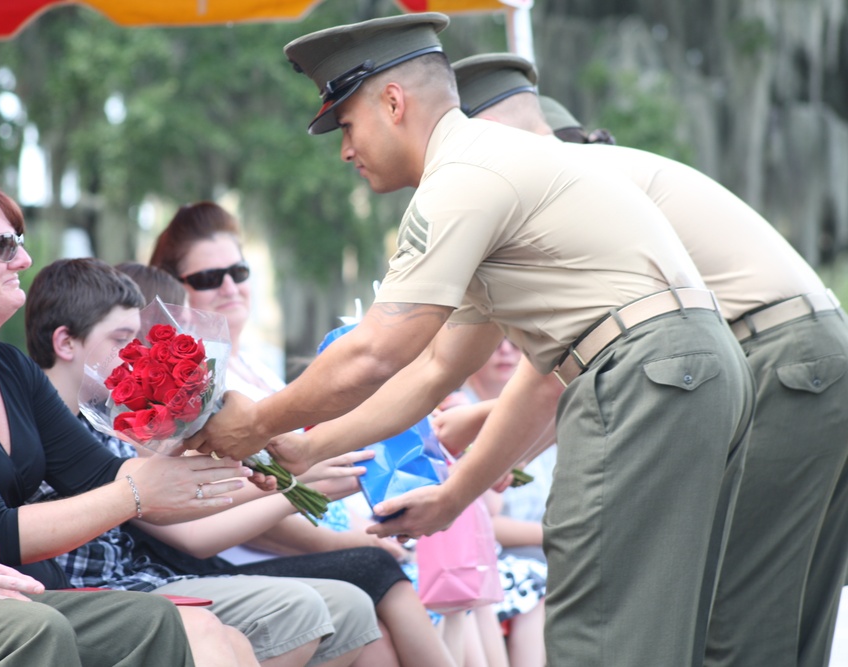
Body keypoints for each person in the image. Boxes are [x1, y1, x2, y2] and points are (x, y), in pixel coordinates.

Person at [185, 13, 756, 667]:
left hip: (646, 373)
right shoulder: (501, 168)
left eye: (346, 125)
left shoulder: (460, 177)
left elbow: (378, 349)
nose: (345, 150)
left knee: (600, 630)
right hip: (692, 368)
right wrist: (307, 447)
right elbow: (431, 374)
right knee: (657, 628)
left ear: (393, 102)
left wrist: (256, 423)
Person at [453, 51, 848, 667]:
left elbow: (568, 370)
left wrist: (470, 474)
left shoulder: (564, 186)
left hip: (775, 364)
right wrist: (492, 439)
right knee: (787, 624)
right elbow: (587, 369)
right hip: (810, 357)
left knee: (730, 625)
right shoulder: (610, 174)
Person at [0, 169, 259, 667]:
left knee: (203, 629)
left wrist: (242, 457)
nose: (25, 259)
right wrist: (135, 496)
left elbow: (102, 472)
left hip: (32, 597)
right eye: (5, 246)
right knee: (194, 631)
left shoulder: (8, 366)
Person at [26, 255, 381, 667]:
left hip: (137, 577)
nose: (134, 355)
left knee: (349, 606)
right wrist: (291, 487)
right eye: (122, 340)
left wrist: (263, 468)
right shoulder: (51, 422)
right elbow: (182, 522)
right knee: (308, 605)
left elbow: (175, 499)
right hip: (94, 592)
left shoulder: (105, 421)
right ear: (65, 342)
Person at [146, 203, 457, 667]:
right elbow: (249, 504)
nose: (230, 287)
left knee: (449, 575)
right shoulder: (194, 383)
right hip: (241, 554)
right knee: (376, 574)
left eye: (238, 270)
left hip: (316, 529)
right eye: (209, 278)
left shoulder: (260, 364)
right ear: (177, 292)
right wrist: (350, 537)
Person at [434, 339, 548, 667]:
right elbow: (483, 518)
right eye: (495, 343)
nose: (506, 352)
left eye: (517, 343)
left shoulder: (543, 413)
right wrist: (560, 534)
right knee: (541, 575)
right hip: (495, 551)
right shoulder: (453, 412)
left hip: (527, 546)